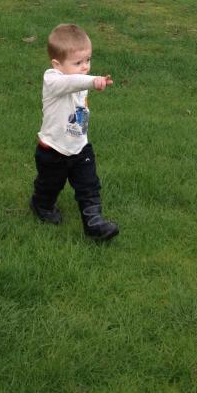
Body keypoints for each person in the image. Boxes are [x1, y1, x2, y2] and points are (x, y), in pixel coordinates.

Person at [30, 23, 119, 241]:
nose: (85, 67)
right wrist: (93, 81)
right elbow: (72, 82)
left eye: (88, 60)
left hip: (80, 147)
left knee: (89, 184)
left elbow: (77, 82)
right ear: (56, 64)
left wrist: (88, 81)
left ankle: (94, 222)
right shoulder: (52, 80)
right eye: (78, 62)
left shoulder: (77, 82)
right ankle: (41, 204)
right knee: (50, 185)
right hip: (53, 149)